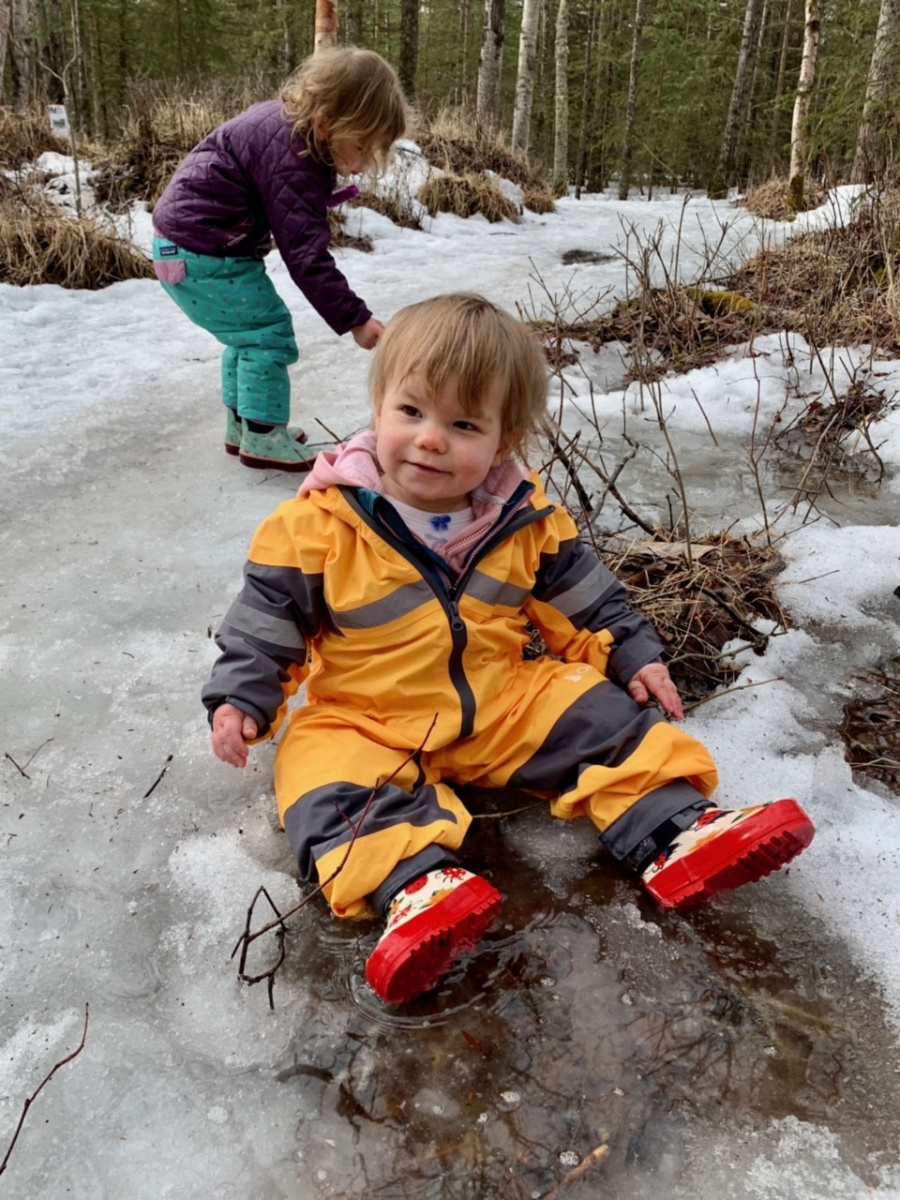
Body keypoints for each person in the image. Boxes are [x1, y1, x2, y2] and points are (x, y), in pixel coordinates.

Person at [202, 293, 815, 1005]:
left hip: (498, 700)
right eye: (411, 413)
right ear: (379, 406)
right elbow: (266, 619)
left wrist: (631, 654)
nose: (430, 439)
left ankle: (675, 830)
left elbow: (585, 599)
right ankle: (416, 886)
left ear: (505, 438)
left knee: (598, 714)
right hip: (367, 716)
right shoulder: (317, 525)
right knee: (316, 775)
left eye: (462, 423)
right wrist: (243, 697)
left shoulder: (524, 518)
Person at [152, 47, 406, 472]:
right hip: (204, 252)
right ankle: (263, 435)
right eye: (359, 147)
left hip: (179, 245)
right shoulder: (297, 161)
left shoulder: (284, 125)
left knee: (246, 336)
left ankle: (243, 426)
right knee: (268, 336)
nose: (361, 165)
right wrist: (355, 318)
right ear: (326, 123)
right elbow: (306, 257)